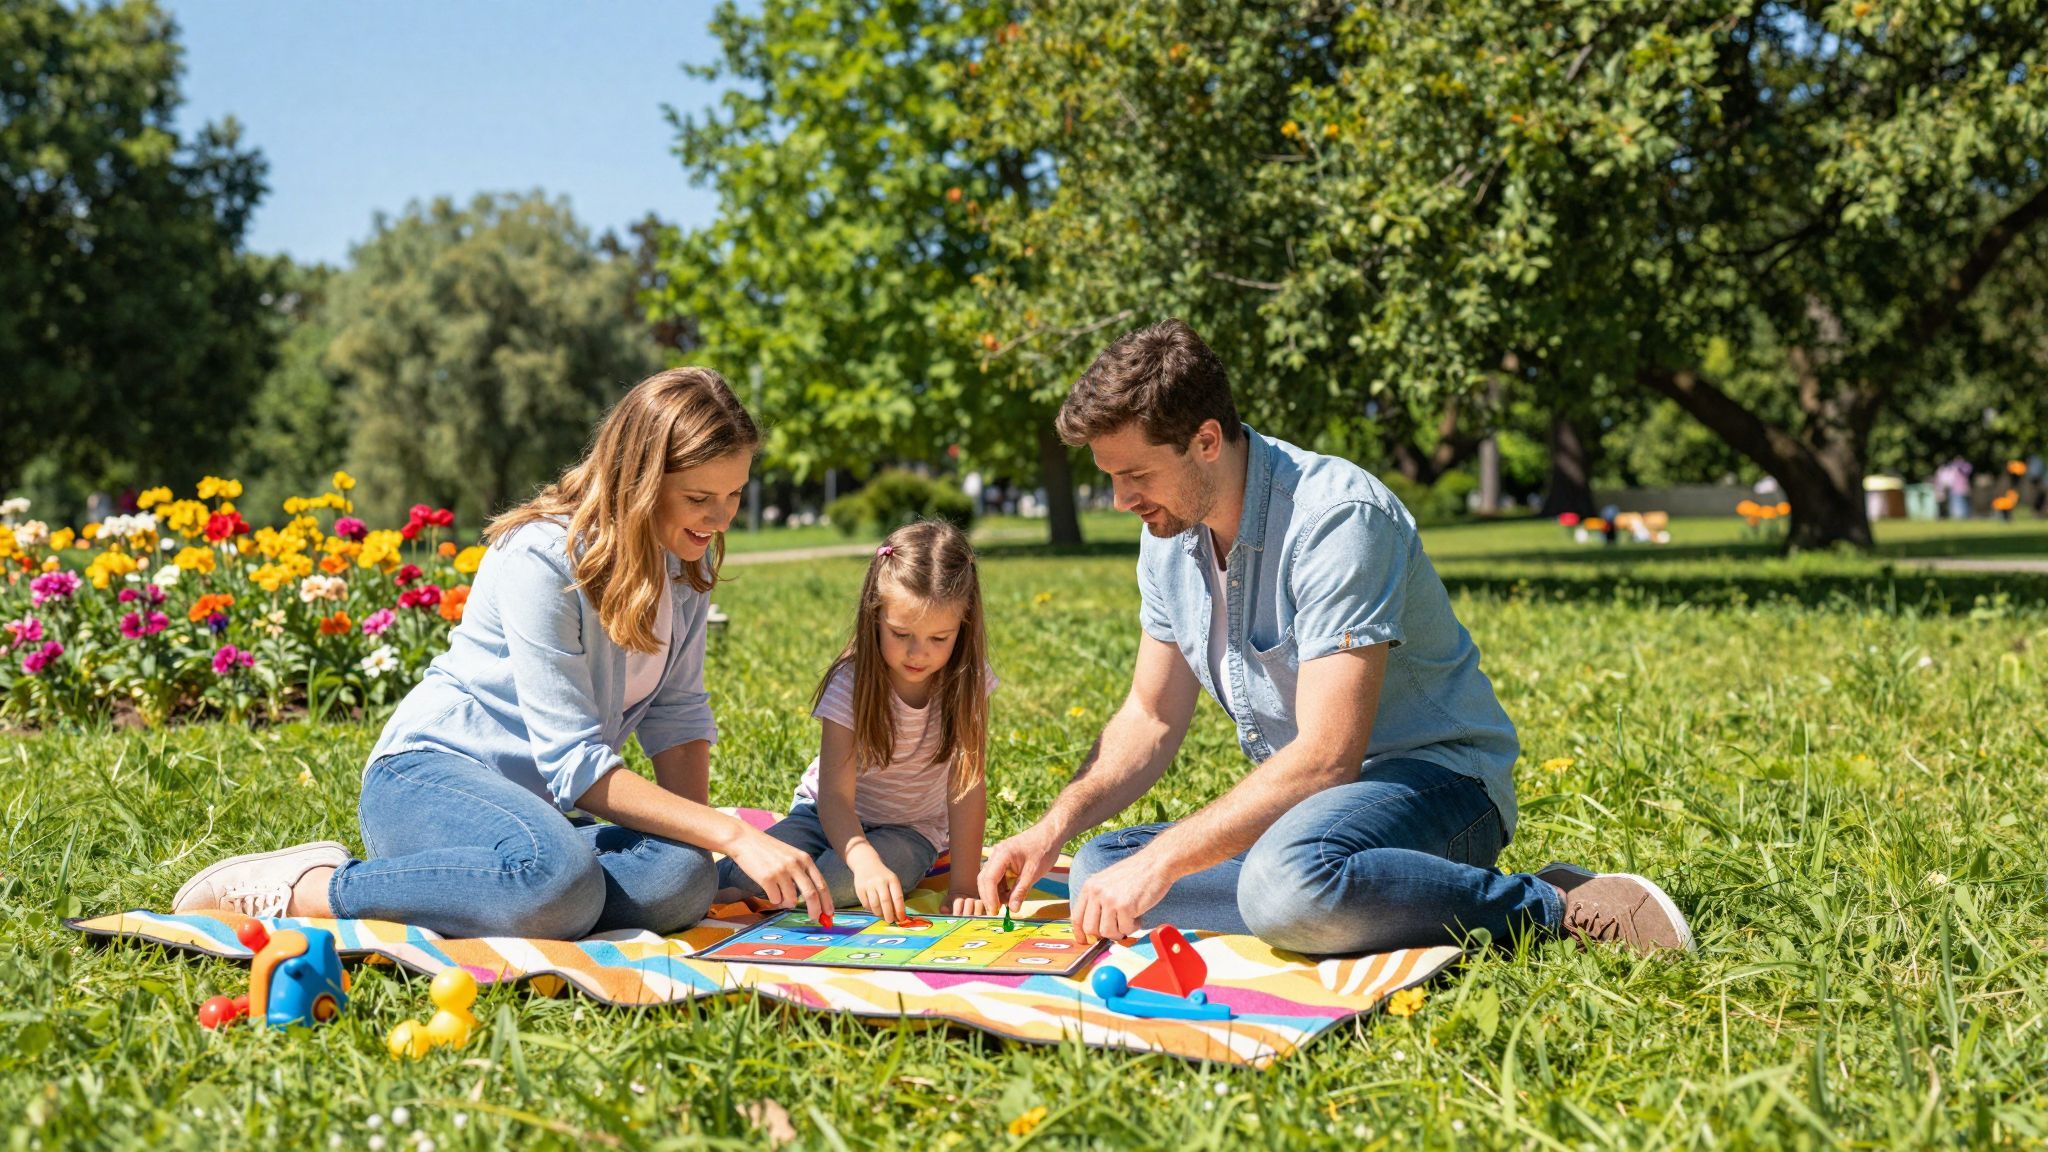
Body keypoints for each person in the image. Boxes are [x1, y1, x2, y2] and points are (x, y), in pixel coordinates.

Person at [977, 320, 1692, 956]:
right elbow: (1151, 716)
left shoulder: (1336, 518)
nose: (1122, 501)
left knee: (1279, 887)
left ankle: (1550, 906)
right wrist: (1051, 830)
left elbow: (1326, 758)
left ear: (1204, 441)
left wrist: (1167, 861)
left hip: (1440, 783)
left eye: (1135, 474)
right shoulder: (1166, 534)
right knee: (1102, 871)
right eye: (1109, 479)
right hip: (1312, 812)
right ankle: (1334, 899)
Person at [173, 368, 832, 938]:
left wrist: (694, 841)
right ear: (639, 479)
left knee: (682, 879)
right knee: (559, 881)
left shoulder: (680, 566)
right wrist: (730, 831)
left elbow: (678, 715)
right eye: (699, 498)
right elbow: (576, 762)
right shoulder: (544, 558)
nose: (720, 518)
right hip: (427, 782)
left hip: (546, 819)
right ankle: (314, 887)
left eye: (734, 495)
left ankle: (532, 893)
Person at [718, 520, 997, 922]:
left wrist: (965, 883)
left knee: (858, 878)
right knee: (760, 869)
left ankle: (766, 897)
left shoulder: (966, 680)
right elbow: (834, 797)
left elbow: (967, 785)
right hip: (822, 814)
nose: (918, 653)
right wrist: (861, 854)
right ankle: (734, 886)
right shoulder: (851, 681)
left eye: (940, 638)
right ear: (875, 617)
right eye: (901, 634)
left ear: (964, 627)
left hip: (910, 829)